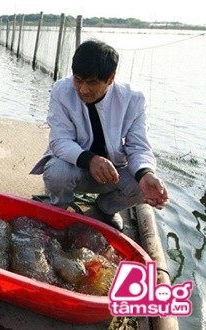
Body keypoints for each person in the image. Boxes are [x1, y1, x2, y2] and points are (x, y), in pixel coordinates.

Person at [30, 39, 169, 231]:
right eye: (78, 80)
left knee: (142, 186)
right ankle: (59, 206)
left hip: (112, 173)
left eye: (92, 82)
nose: (83, 89)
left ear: (111, 78)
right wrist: (91, 160)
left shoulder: (133, 98)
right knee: (56, 172)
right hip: (74, 167)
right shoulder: (61, 91)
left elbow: (138, 146)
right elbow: (59, 140)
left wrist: (146, 173)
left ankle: (105, 209)